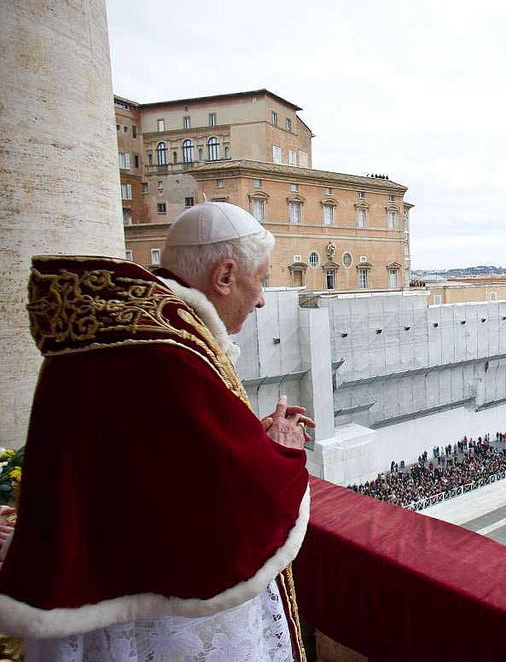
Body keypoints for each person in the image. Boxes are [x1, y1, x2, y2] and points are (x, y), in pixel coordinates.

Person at [0, 202, 313, 661]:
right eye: (261, 279)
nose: (263, 297)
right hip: (155, 621)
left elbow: (166, 460)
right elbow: (226, 499)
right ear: (225, 276)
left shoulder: (135, 328)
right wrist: (282, 451)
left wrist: (244, 439)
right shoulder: (163, 351)